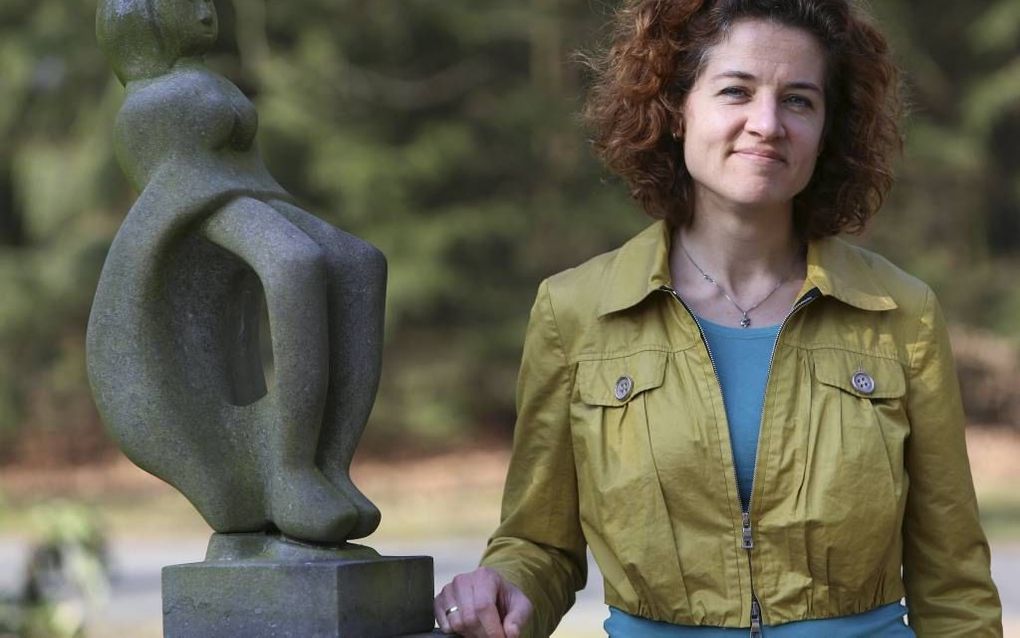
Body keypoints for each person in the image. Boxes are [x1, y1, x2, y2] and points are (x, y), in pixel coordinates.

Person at [434, 0, 1003, 636]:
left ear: (827, 129)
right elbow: (540, 545)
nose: (767, 123)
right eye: (737, 90)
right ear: (676, 110)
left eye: (799, 100)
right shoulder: (575, 313)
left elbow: (952, 581)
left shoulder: (901, 314)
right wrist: (501, 587)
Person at [88, 0, 385, 543]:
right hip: (195, 205)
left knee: (360, 263)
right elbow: (175, 181)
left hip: (243, 192)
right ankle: (288, 472)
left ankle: (331, 466)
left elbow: (244, 167)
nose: (205, 12)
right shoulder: (150, 99)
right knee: (293, 262)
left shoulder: (199, 82)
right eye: (184, 7)